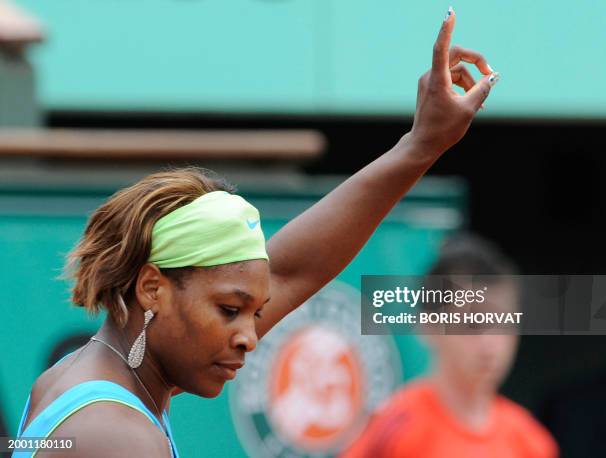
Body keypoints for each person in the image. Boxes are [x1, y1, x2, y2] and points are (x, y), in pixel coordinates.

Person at [13, 7, 498, 458]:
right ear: (153, 288)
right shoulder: (117, 435)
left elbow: (292, 270)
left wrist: (422, 144)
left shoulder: (95, 375)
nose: (249, 337)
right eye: (229, 310)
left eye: (255, 312)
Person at [341, 234, 559, 458]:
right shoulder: (395, 428)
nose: (490, 342)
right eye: (473, 323)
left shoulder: (531, 442)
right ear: (429, 325)